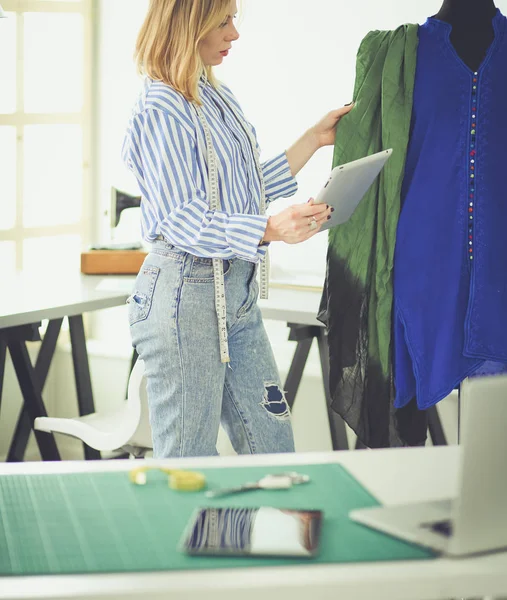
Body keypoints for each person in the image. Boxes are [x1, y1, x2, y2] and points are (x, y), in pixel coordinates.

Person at [122, 0, 353, 458]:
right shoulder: (161, 108)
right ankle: (197, 534)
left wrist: (313, 139)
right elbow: (181, 219)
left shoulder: (215, 94)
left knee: (273, 449)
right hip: (184, 300)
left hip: (235, 295)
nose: (234, 34)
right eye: (223, 22)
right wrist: (268, 229)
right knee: (190, 468)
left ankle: (233, 534)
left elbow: (236, 191)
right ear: (189, 24)